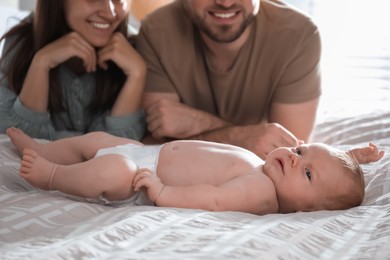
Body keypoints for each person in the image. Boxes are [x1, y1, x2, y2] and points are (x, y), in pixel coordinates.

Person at [6, 127, 384, 215]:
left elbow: (215, 199)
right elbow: (323, 162)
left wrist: (162, 192)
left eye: (307, 174)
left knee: (110, 172)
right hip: (146, 151)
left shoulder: (262, 193)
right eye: (300, 150)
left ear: (307, 211)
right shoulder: (273, 172)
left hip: (138, 176)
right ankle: (42, 148)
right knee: (95, 140)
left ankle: (52, 173)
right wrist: (354, 155)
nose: (296, 157)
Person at [136, 0, 322, 159]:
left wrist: (199, 123)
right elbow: (159, 146)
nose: (225, 3)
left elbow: (288, 155)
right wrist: (247, 137)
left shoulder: (298, 35)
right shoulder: (156, 30)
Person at [0, 0, 146, 140]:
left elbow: (116, 148)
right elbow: (17, 139)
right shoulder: (20, 44)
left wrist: (138, 74)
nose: (109, 13)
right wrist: (41, 63)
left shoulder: (140, 49)